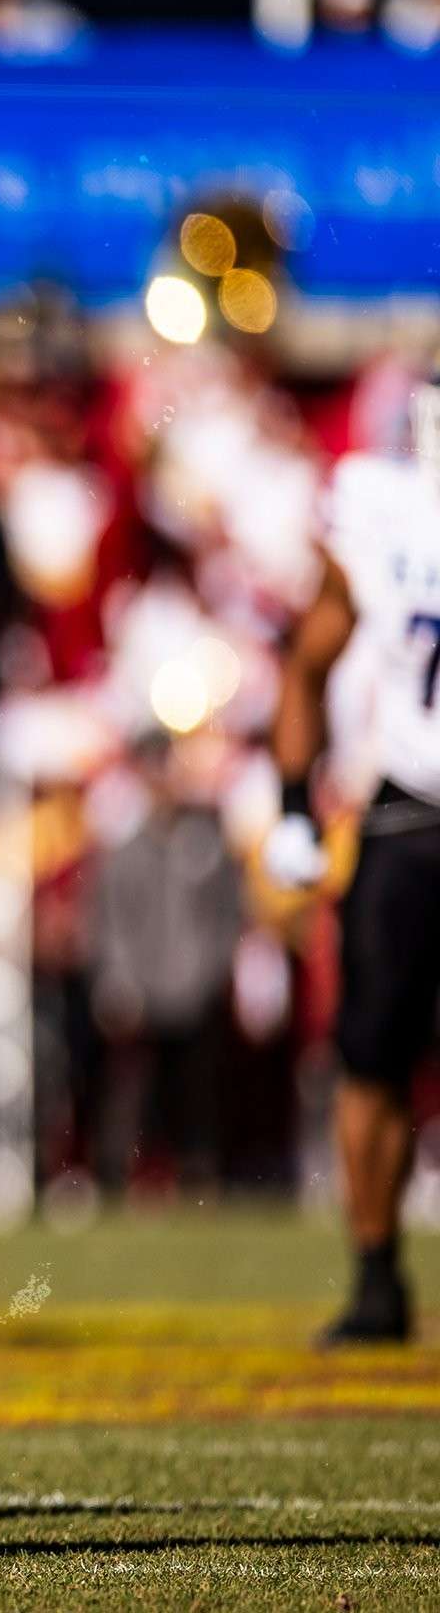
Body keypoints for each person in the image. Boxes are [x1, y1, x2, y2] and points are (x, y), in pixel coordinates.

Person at [265, 396, 440, 1344]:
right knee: (370, 1055)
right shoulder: (383, 511)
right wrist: (294, 804)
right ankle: (376, 1274)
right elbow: (308, 661)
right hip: (409, 810)